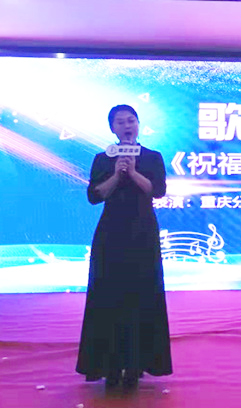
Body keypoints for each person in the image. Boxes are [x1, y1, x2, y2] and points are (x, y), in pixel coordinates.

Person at [76, 105, 172, 388]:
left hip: (143, 233)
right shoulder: (103, 158)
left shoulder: (152, 157)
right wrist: (117, 174)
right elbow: (94, 196)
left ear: (138, 124)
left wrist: (133, 172)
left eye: (131, 120)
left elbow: (158, 191)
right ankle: (109, 366)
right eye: (120, 122)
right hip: (111, 234)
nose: (127, 126)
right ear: (112, 128)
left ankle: (136, 365)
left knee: (142, 293)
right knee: (109, 295)